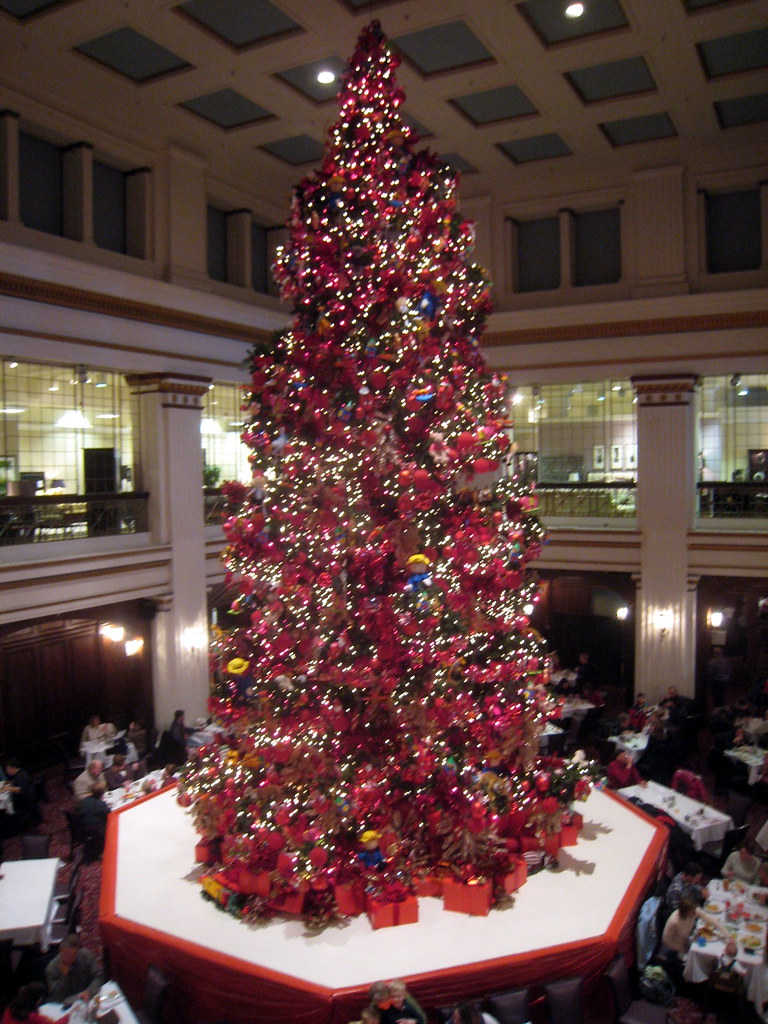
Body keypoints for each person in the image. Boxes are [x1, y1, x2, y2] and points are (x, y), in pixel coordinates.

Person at [659, 896, 727, 978]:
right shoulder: (674, 921)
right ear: (685, 912)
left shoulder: (693, 911)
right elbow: (666, 940)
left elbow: (709, 919)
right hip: (675, 947)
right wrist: (682, 948)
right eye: (692, 912)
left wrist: (726, 933)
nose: (695, 913)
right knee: (700, 959)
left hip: (686, 942)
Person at [45, 934, 102, 1007]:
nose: (68, 959)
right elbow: (56, 997)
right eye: (65, 955)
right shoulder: (52, 968)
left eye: (72, 955)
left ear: (77, 952)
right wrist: (64, 977)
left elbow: (98, 976)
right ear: (60, 952)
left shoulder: (85, 956)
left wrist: (89, 991)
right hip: (66, 1003)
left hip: (88, 998)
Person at [1, 758, 41, 833]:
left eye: (8, 769)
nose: (7, 772)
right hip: (28, 796)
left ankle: (12, 826)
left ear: (13, 768)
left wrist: (8, 788)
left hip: (25, 799)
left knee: (6, 805)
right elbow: (17, 784)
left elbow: (20, 790)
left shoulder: (20, 776)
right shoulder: (21, 772)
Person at [77, 789, 109, 856]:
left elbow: (77, 809)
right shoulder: (101, 804)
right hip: (95, 828)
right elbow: (108, 815)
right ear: (102, 795)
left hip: (81, 826)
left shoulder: (85, 800)